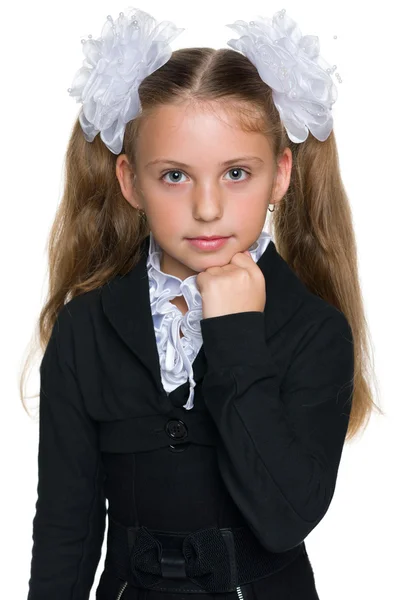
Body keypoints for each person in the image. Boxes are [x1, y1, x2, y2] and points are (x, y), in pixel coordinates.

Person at [23, 7, 380, 600]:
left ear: (281, 174)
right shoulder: (85, 326)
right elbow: (66, 527)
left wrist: (238, 332)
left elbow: (286, 516)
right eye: (175, 176)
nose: (208, 208)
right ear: (130, 181)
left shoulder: (315, 330)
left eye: (236, 172)